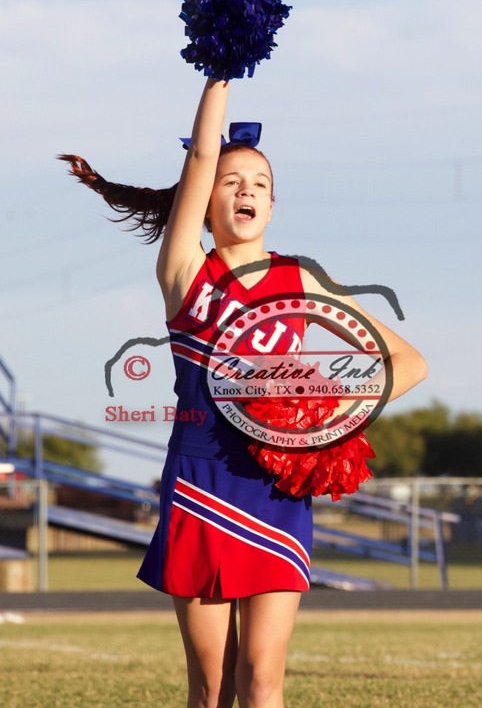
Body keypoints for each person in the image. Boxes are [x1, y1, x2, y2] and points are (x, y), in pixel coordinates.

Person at [60, 77, 427, 708]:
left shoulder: (297, 278)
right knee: (211, 688)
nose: (245, 190)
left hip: (274, 487)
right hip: (200, 484)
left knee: (262, 677)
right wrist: (219, 72)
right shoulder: (185, 274)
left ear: (274, 205)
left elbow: (408, 361)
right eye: (231, 182)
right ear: (204, 203)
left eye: (259, 183)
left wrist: (327, 416)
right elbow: (202, 155)